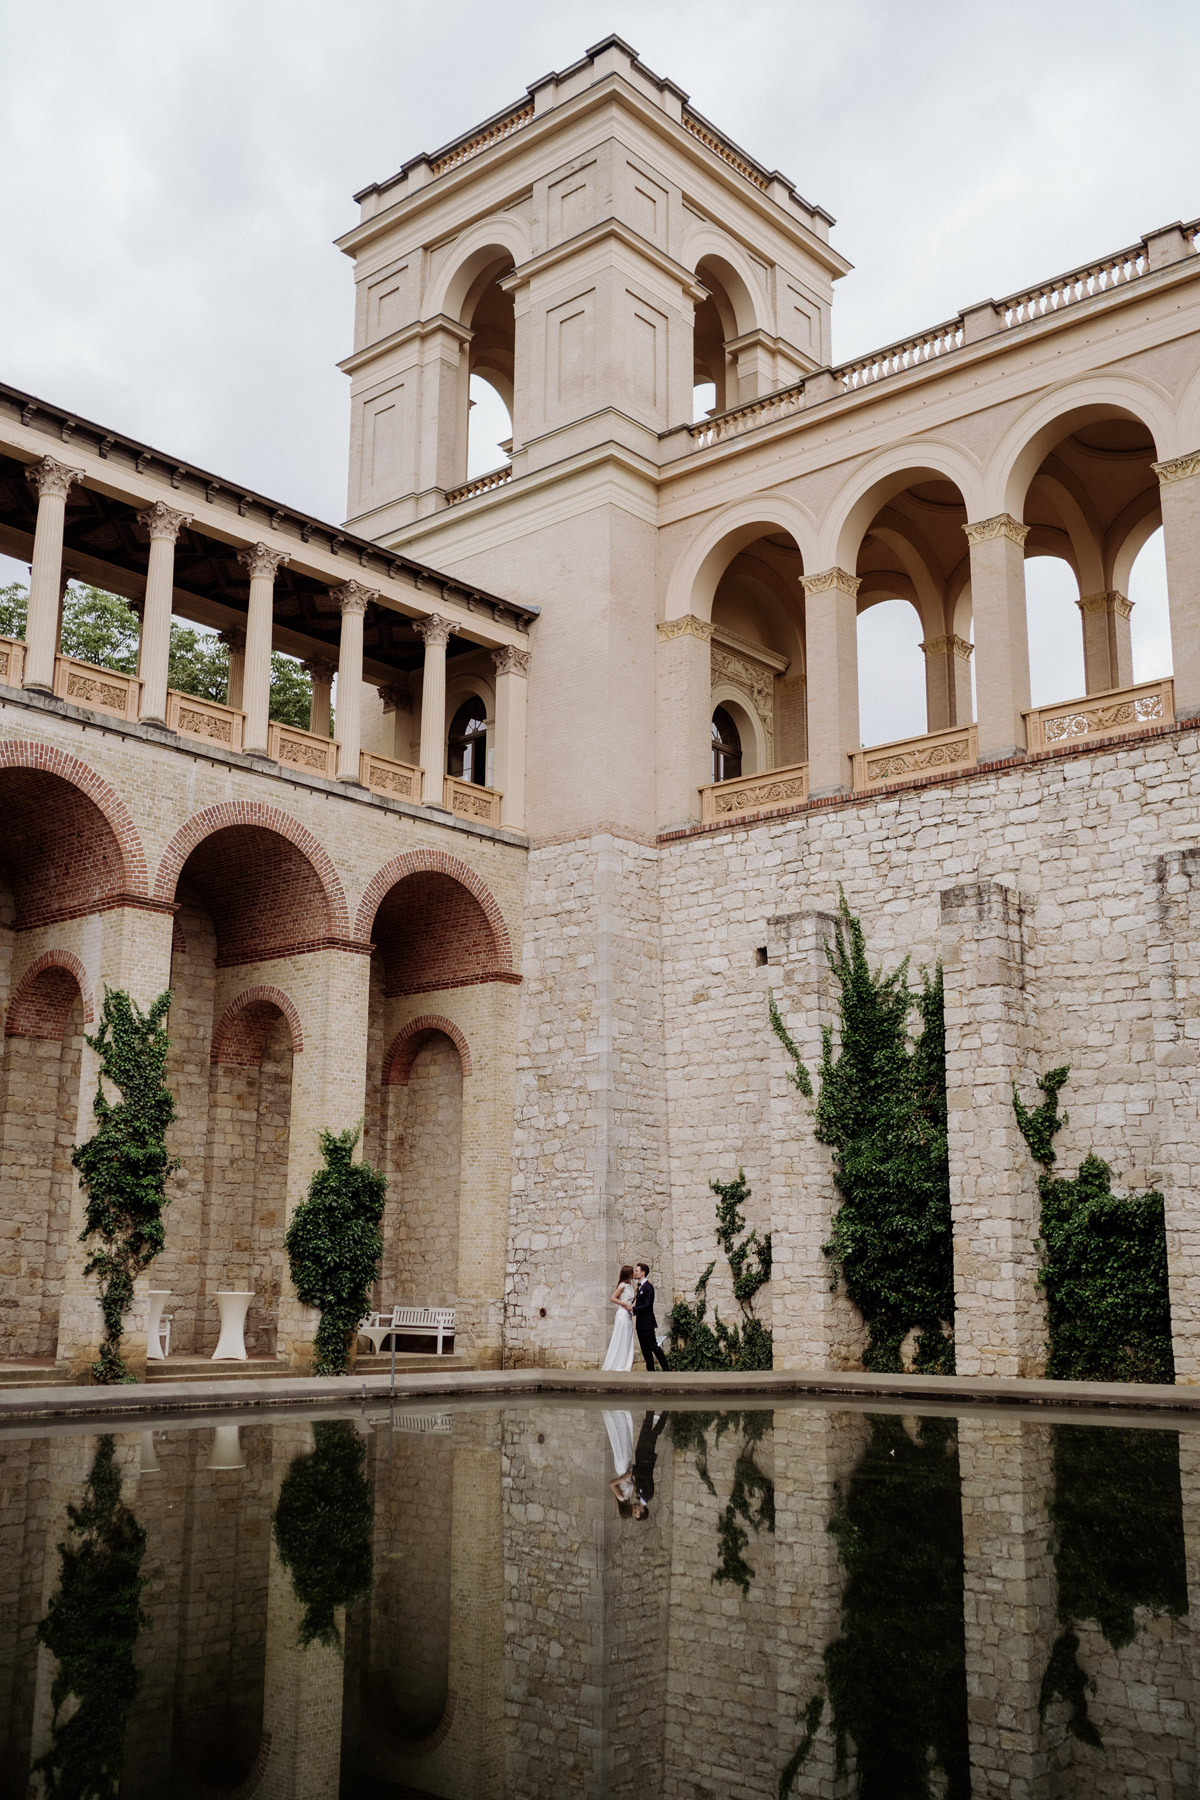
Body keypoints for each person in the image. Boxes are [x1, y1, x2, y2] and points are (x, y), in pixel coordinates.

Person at [632, 1262, 669, 1372]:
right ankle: (650, 1371)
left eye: (636, 1271)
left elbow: (648, 1305)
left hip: (648, 1323)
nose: (634, 1272)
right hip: (640, 1323)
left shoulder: (649, 1287)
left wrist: (633, 1309)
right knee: (645, 1349)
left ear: (643, 1273)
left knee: (653, 1346)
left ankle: (666, 1369)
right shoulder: (639, 1287)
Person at [601, 1263, 637, 1371]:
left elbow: (630, 1300)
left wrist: (635, 1293)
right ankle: (617, 1363)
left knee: (627, 1337)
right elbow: (613, 1298)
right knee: (621, 1336)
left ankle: (625, 1363)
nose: (634, 1273)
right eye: (632, 1272)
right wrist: (625, 1304)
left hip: (628, 1314)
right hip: (622, 1314)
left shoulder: (630, 1286)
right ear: (628, 1274)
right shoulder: (622, 1285)